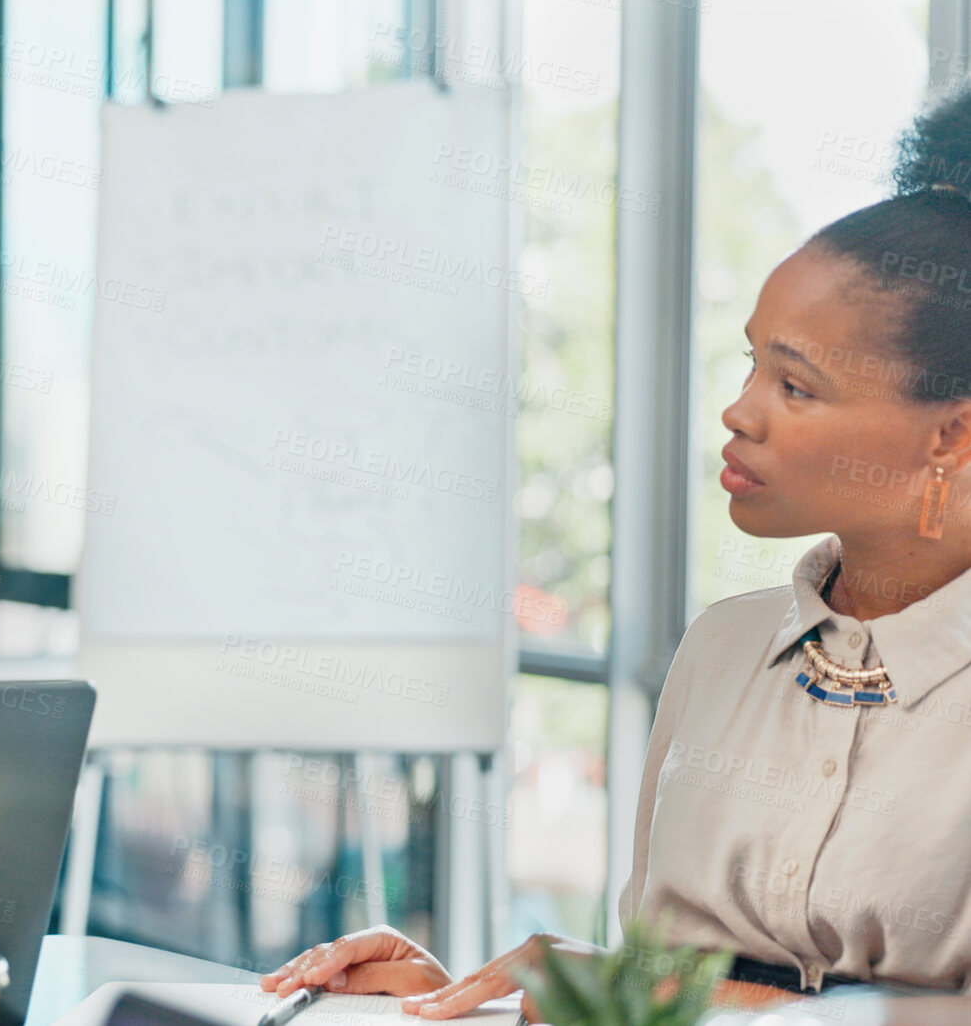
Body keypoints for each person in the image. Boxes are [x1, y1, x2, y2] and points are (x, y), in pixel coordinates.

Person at [262, 91, 971, 1020]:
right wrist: (464, 1001)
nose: (738, 411)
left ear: (949, 437)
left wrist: (654, 989)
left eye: (795, 385)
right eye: (749, 362)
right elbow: (640, 997)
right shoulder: (721, 649)